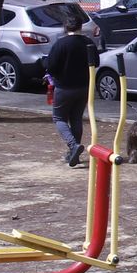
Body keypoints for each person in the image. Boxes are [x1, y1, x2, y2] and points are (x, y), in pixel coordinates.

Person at [44, 13, 98, 167]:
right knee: (76, 118)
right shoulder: (89, 43)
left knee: (59, 118)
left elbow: (51, 66)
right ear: (81, 26)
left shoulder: (61, 44)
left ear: (65, 27)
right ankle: (73, 153)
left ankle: (73, 145)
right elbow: (96, 63)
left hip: (64, 87)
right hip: (84, 87)